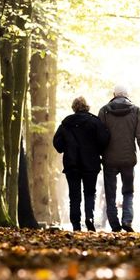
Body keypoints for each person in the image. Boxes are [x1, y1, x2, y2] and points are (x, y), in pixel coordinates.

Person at [98, 85, 140, 232]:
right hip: (128, 159)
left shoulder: (104, 111)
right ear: (128, 95)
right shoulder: (136, 111)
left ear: (114, 94)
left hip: (109, 159)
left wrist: (99, 155)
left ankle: (114, 224)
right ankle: (127, 221)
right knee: (128, 191)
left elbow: (99, 137)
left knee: (110, 192)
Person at [53, 97, 109, 231]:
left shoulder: (66, 124)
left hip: (72, 165)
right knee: (90, 193)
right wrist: (97, 150)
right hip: (91, 163)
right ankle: (89, 217)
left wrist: (66, 147)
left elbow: (57, 143)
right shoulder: (95, 122)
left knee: (74, 195)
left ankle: (76, 224)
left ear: (74, 108)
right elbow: (104, 139)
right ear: (87, 106)